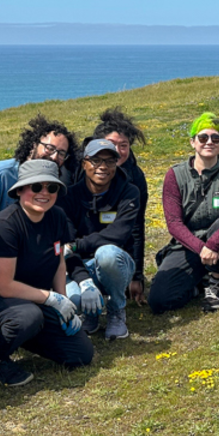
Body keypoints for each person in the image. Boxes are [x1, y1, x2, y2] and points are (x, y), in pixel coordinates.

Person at [0, 160, 95, 386]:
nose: (44, 193)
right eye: (36, 187)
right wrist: (51, 298)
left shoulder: (57, 217)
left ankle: (24, 335)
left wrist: (64, 303)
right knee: (28, 317)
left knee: (81, 355)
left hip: (35, 297)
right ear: (20, 189)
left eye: (51, 188)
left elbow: (59, 260)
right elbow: (4, 286)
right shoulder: (4, 225)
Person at [148, 113, 219, 314]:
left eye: (215, 138)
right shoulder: (174, 175)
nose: (209, 142)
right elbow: (174, 223)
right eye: (203, 137)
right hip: (191, 244)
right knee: (159, 300)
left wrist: (212, 245)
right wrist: (202, 248)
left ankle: (214, 282)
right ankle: (198, 282)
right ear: (192, 142)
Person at [60, 138, 141, 340]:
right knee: (73, 300)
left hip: (116, 263)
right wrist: (83, 281)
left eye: (109, 161)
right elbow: (65, 245)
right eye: (96, 160)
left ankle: (116, 310)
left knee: (106, 253)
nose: (103, 167)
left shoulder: (129, 192)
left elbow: (118, 234)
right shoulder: (68, 196)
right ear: (84, 163)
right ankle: (91, 313)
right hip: (79, 265)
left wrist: (77, 245)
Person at [0, 114, 79, 236]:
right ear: (33, 145)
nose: (54, 157)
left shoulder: (54, 183)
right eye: (49, 148)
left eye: (61, 153)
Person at [89, 107, 150, 305]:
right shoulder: (80, 174)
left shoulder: (136, 178)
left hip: (115, 253)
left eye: (123, 145)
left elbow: (137, 228)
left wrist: (137, 276)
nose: (117, 151)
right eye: (111, 144)